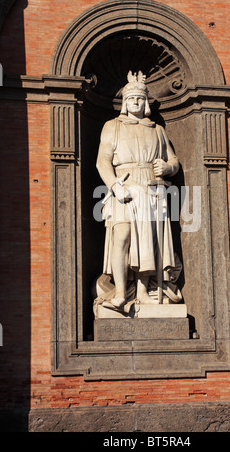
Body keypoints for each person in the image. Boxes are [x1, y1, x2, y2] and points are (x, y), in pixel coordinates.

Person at [96, 71, 181, 311]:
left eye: (141, 99)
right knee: (121, 236)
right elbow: (102, 161)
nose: (136, 102)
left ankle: (143, 292)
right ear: (124, 102)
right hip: (124, 186)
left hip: (152, 188)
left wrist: (168, 167)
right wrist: (115, 185)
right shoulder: (112, 126)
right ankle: (121, 293)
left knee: (149, 241)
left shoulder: (157, 131)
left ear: (146, 103)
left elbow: (174, 160)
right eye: (132, 98)